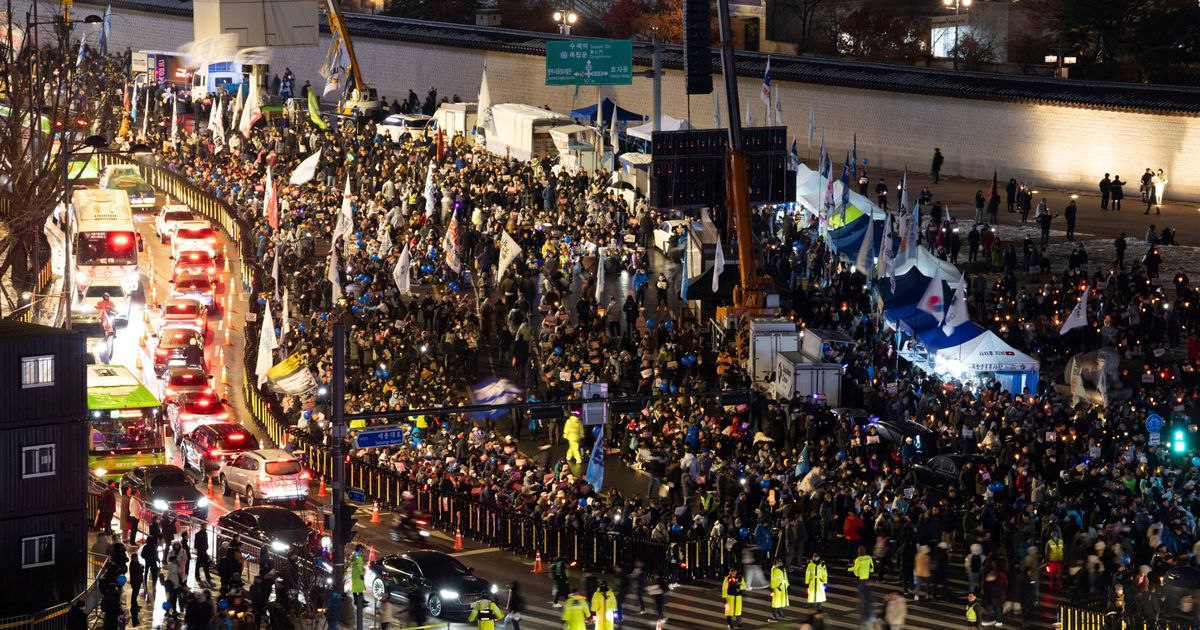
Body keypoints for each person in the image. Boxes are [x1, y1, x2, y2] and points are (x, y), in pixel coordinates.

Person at [350, 544, 366, 630]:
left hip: (359, 574)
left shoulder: (358, 555)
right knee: (355, 588)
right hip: (356, 574)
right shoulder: (356, 555)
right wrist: (361, 573)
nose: (362, 551)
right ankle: (357, 600)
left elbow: (359, 564)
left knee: (360, 587)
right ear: (359, 549)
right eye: (361, 549)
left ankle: (361, 600)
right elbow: (356, 563)